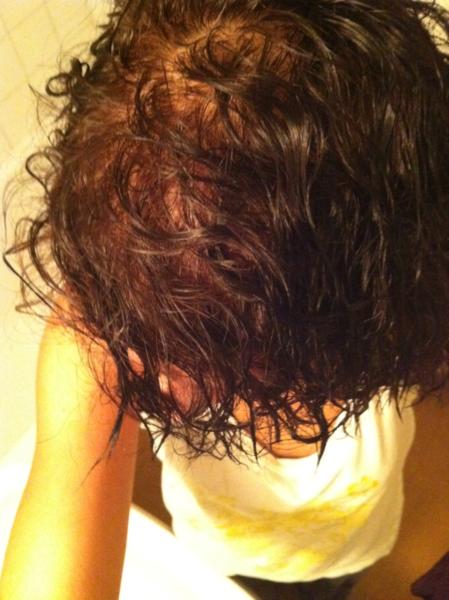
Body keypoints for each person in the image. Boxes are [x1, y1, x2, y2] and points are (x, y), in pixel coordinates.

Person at [1, 1, 449, 599]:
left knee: (335, 583)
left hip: (356, 538)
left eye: (207, 360)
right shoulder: (107, 323)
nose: (158, 383)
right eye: (156, 349)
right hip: (218, 546)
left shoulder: (398, 303)